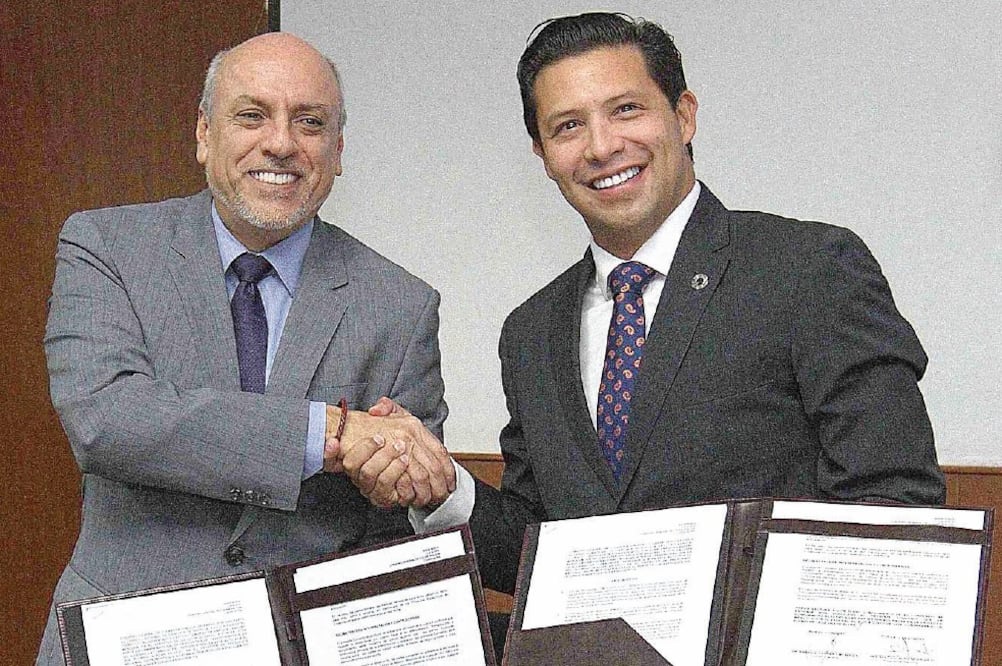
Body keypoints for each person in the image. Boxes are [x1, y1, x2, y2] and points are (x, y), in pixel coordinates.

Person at [347, 11, 945, 597]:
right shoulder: (532, 333)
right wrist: (443, 489)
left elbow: (892, 507)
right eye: (567, 126)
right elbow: (538, 554)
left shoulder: (810, 269)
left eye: (626, 110)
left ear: (683, 115)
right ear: (542, 154)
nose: (602, 146)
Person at [36, 32, 453, 665]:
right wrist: (332, 434)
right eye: (251, 115)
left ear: (338, 151)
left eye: (309, 123)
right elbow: (105, 419)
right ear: (205, 134)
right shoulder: (106, 247)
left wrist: (403, 480)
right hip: (122, 635)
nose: (281, 143)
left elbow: (394, 529)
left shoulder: (400, 304)